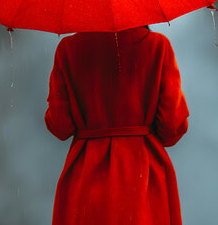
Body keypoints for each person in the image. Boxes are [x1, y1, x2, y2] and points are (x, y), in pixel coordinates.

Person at [45, 25, 189, 225]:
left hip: (85, 179)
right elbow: (172, 127)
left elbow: (60, 126)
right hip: (144, 179)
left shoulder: (68, 50)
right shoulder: (158, 46)